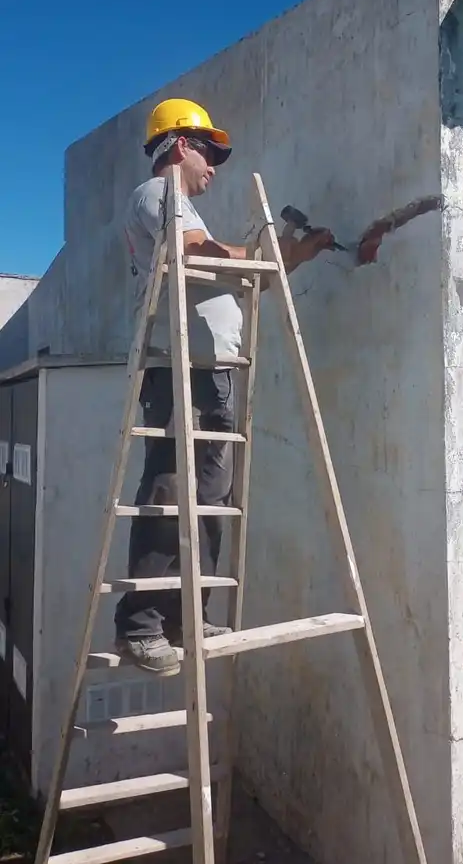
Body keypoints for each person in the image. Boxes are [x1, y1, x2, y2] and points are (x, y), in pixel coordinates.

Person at [116, 98, 334, 674]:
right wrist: (272, 253)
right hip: (179, 368)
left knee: (210, 497)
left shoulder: (187, 209)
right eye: (209, 152)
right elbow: (200, 254)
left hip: (213, 372)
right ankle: (140, 625)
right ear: (179, 146)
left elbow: (245, 282)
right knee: (169, 491)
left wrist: (293, 255)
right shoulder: (160, 196)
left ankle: (186, 614)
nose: (214, 166)